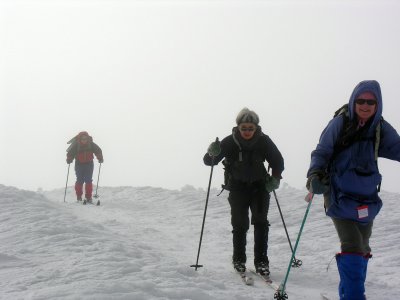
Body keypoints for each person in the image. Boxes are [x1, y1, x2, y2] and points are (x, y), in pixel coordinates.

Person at [306, 80, 400, 300]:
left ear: (378, 104)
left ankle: (348, 294)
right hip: (339, 196)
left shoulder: (379, 127)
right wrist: (315, 174)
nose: (365, 106)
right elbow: (322, 151)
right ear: (353, 101)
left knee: (363, 248)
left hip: (366, 198)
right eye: (360, 101)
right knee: (352, 245)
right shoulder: (340, 123)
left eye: (371, 102)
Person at [203, 108, 284, 276]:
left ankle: (261, 262)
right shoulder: (229, 142)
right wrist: (212, 152)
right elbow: (209, 162)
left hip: (260, 187)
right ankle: (238, 260)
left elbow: (278, 161)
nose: (247, 131)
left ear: (256, 128)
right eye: (244, 128)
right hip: (238, 188)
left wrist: (275, 178)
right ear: (238, 127)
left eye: (250, 128)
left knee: (261, 223)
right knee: (239, 225)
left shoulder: (264, 141)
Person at [66, 131, 103, 202]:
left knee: (88, 180)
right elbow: (70, 153)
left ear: (87, 138)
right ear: (80, 139)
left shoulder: (91, 144)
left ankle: (89, 197)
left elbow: (98, 150)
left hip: (89, 164)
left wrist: (100, 158)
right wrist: (69, 159)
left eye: (85, 139)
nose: (84, 140)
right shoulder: (76, 145)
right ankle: (79, 197)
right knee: (79, 180)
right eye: (82, 139)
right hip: (79, 164)